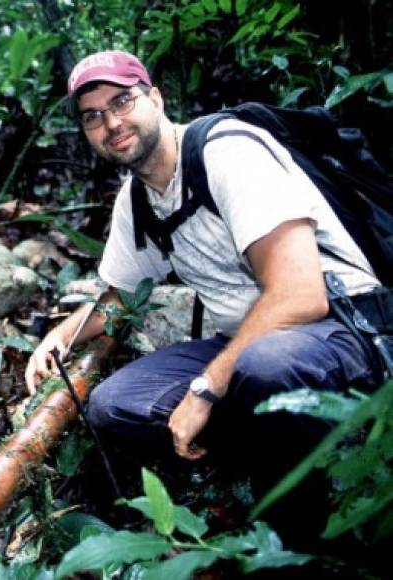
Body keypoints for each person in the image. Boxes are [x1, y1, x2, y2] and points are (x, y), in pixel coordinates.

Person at [25, 51, 383, 509]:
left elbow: (301, 296)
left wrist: (206, 387)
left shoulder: (228, 153)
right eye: (93, 116)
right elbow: (119, 297)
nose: (111, 123)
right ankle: (260, 454)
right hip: (251, 348)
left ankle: (299, 531)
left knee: (266, 366)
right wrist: (61, 337)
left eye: (122, 102)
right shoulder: (137, 199)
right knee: (113, 405)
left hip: (342, 328)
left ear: (154, 98)